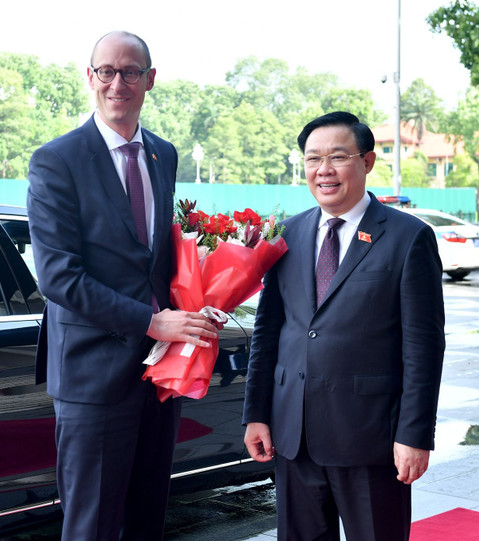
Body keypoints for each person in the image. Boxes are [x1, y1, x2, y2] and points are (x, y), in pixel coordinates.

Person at [26, 31, 216, 541]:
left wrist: (202, 302)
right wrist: (152, 321)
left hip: (161, 373)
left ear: (150, 80)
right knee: (91, 525)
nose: (117, 83)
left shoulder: (164, 155)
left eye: (130, 72)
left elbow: (156, 261)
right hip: (93, 375)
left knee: (147, 518)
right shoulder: (57, 160)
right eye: (106, 72)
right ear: (90, 78)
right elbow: (59, 277)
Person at [243, 112, 445, 541]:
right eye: (313, 158)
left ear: (368, 162)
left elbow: (424, 348)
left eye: (338, 156)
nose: (324, 170)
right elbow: (268, 331)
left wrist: (414, 435)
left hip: (370, 439)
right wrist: (256, 414)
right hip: (293, 436)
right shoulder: (287, 234)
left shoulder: (408, 237)